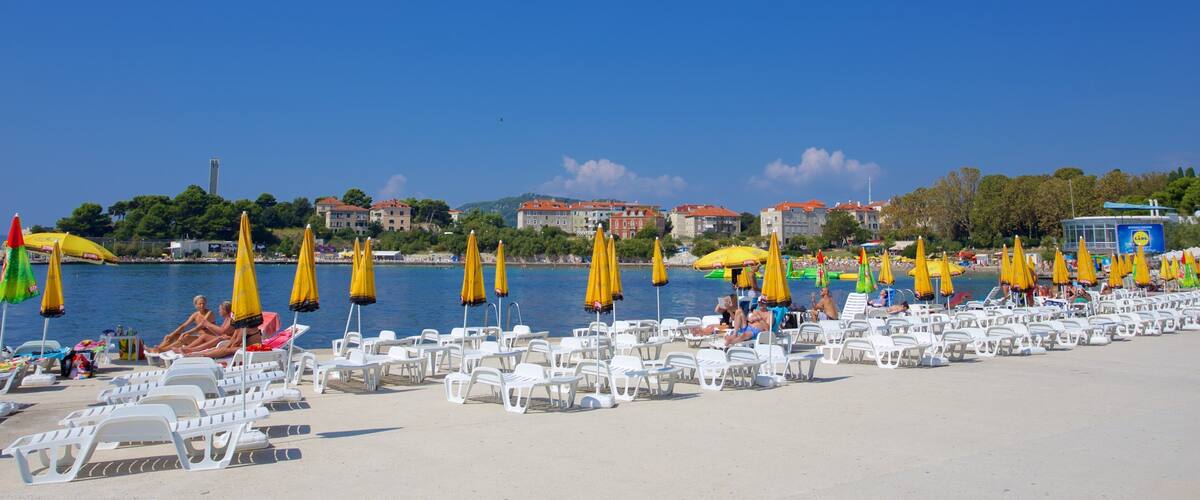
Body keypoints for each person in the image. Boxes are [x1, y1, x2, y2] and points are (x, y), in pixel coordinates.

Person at [147, 295, 215, 353]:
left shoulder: (209, 313)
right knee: (175, 336)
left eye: (203, 303)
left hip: (207, 340)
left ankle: (162, 350)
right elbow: (183, 326)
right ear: (195, 305)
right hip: (199, 338)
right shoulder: (195, 315)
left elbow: (199, 327)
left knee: (185, 337)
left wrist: (185, 333)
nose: (202, 305)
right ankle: (157, 348)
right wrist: (171, 334)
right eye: (200, 304)